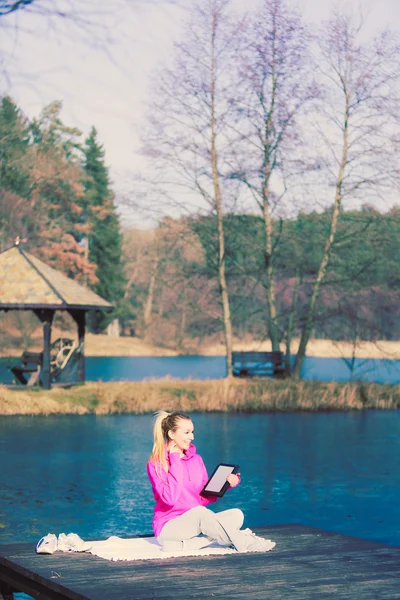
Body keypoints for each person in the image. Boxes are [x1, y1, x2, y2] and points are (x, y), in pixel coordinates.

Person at [147, 410, 276, 553]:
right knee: (201, 514)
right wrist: (175, 459)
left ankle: (193, 543)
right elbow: (170, 499)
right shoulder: (156, 463)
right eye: (187, 432)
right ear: (172, 434)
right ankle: (245, 542)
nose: (192, 437)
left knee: (236, 514)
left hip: (196, 523)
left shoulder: (197, 460)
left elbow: (202, 498)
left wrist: (226, 485)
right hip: (169, 527)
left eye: (192, 432)